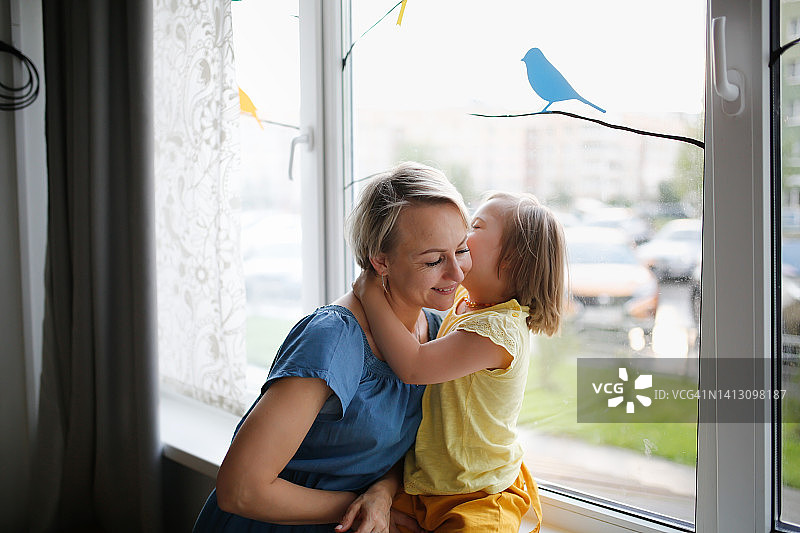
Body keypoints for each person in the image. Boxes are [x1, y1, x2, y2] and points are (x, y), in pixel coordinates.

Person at [192, 162, 472, 533]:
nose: (457, 273)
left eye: (462, 249)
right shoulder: (331, 339)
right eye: (434, 260)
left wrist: (382, 493)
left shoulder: (436, 332)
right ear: (380, 261)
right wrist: (362, 507)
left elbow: (403, 450)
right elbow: (240, 489)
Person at [345, 191, 567, 533]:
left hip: (476, 493)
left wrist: (369, 292)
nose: (462, 230)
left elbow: (414, 366)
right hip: (430, 483)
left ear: (510, 260)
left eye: (475, 225)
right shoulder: (468, 301)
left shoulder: (497, 331)